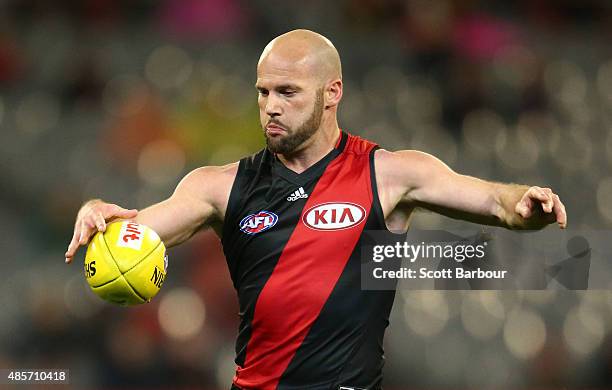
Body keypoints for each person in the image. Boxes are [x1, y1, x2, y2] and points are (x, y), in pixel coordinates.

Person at [65, 29, 567, 390]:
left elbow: (495, 203)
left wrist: (524, 203)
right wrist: (94, 211)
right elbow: (134, 233)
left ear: (332, 94)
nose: (271, 107)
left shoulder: (389, 174)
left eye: (287, 92)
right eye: (263, 93)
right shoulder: (219, 187)